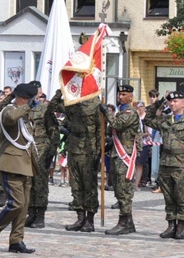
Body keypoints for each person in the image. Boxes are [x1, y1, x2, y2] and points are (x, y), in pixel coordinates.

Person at [0, 82, 38, 254]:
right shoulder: (9, 110)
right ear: (22, 98)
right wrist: (27, 106)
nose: (31, 103)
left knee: (23, 206)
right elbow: (10, 118)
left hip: (26, 165)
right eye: (28, 99)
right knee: (16, 203)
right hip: (11, 164)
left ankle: (16, 240)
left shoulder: (24, 114)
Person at [144, 91, 184, 239]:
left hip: (181, 163)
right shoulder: (166, 121)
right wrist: (158, 103)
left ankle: (180, 226)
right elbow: (148, 119)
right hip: (166, 162)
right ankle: (171, 225)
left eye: (175, 101)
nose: (172, 104)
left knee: (180, 196)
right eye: (170, 102)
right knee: (168, 196)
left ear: (183, 103)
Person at [48, 88, 102, 232]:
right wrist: (60, 91)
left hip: (88, 151)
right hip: (74, 148)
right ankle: (80, 217)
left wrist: (98, 152)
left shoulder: (95, 104)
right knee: (76, 185)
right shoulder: (72, 103)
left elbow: (100, 130)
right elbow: (52, 106)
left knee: (89, 186)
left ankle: (89, 220)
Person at [102, 84, 141, 235]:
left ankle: (123, 222)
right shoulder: (121, 111)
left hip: (125, 153)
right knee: (118, 187)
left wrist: (107, 113)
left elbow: (117, 125)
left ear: (131, 96)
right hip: (116, 153)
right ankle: (128, 222)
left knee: (124, 189)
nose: (120, 97)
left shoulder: (130, 111)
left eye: (124, 94)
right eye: (119, 94)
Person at [21, 81, 58, 229]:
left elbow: (54, 131)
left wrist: (52, 151)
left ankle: (40, 215)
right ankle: (31, 213)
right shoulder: (24, 109)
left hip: (42, 149)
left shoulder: (45, 109)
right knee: (28, 183)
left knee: (40, 183)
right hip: (26, 149)